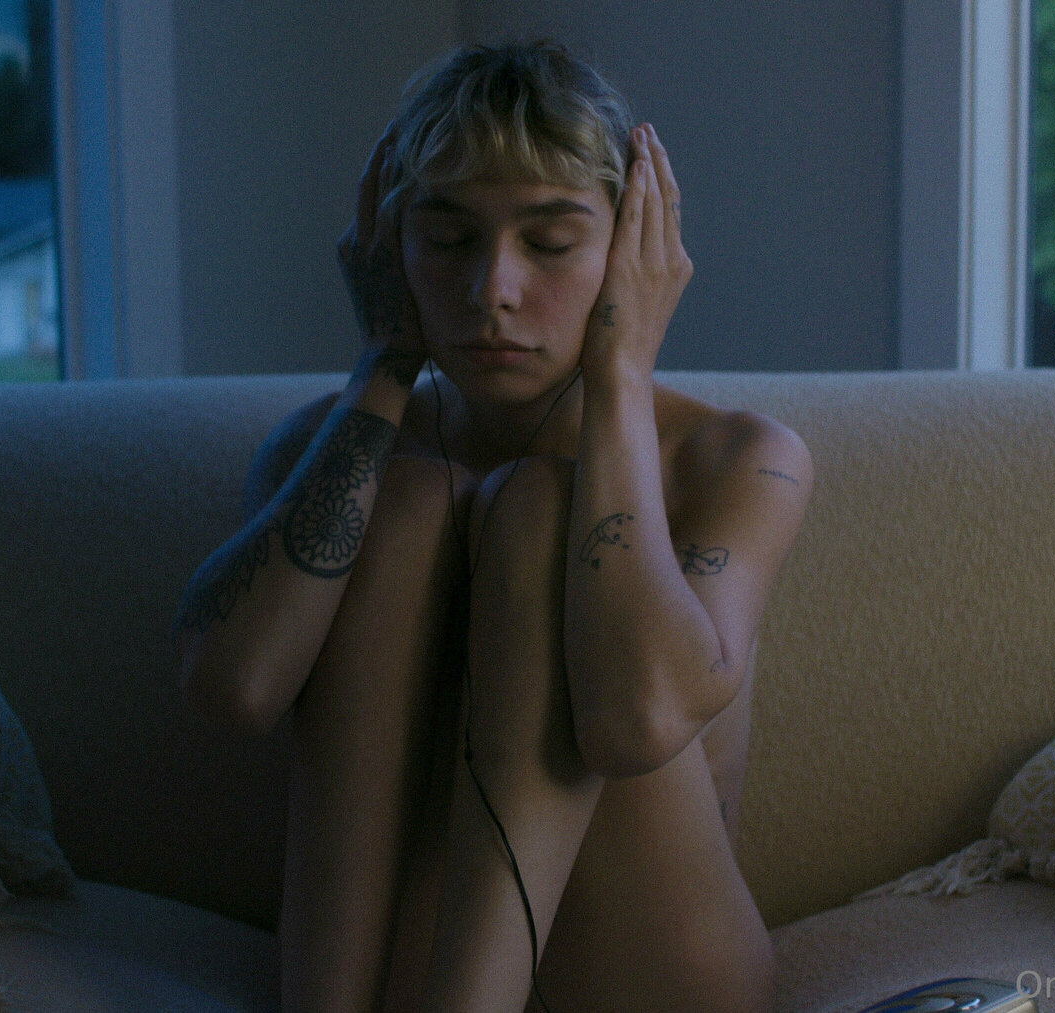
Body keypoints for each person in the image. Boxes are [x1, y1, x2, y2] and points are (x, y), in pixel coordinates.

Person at [177, 40, 813, 1013]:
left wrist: (620, 375)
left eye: (551, 243)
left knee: (538, 509)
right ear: (392, 247)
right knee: (405, 505)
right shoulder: (335, 450)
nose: (493, 290)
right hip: (394, 971)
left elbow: (637, 717)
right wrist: (383, 369)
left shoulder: (739, 456)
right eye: (447, 239)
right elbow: (237, 686)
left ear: (630, 251)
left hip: (654, 974)